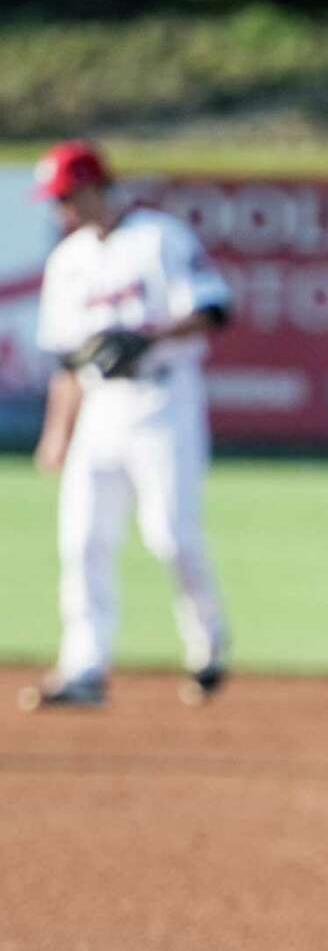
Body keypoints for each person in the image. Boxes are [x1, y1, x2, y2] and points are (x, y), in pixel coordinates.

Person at [22, 140, 233, 710]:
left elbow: (215, 309)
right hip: (99, 410)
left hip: (165, 402)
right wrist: (57, 432)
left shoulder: (160, 237)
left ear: (94, 187)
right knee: (82, 538)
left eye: (65, 196)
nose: (58, 209)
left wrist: (149, 337)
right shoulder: (67, 261)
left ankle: (208, 647)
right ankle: (84, 667)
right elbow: (68, 362)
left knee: (171, 534)